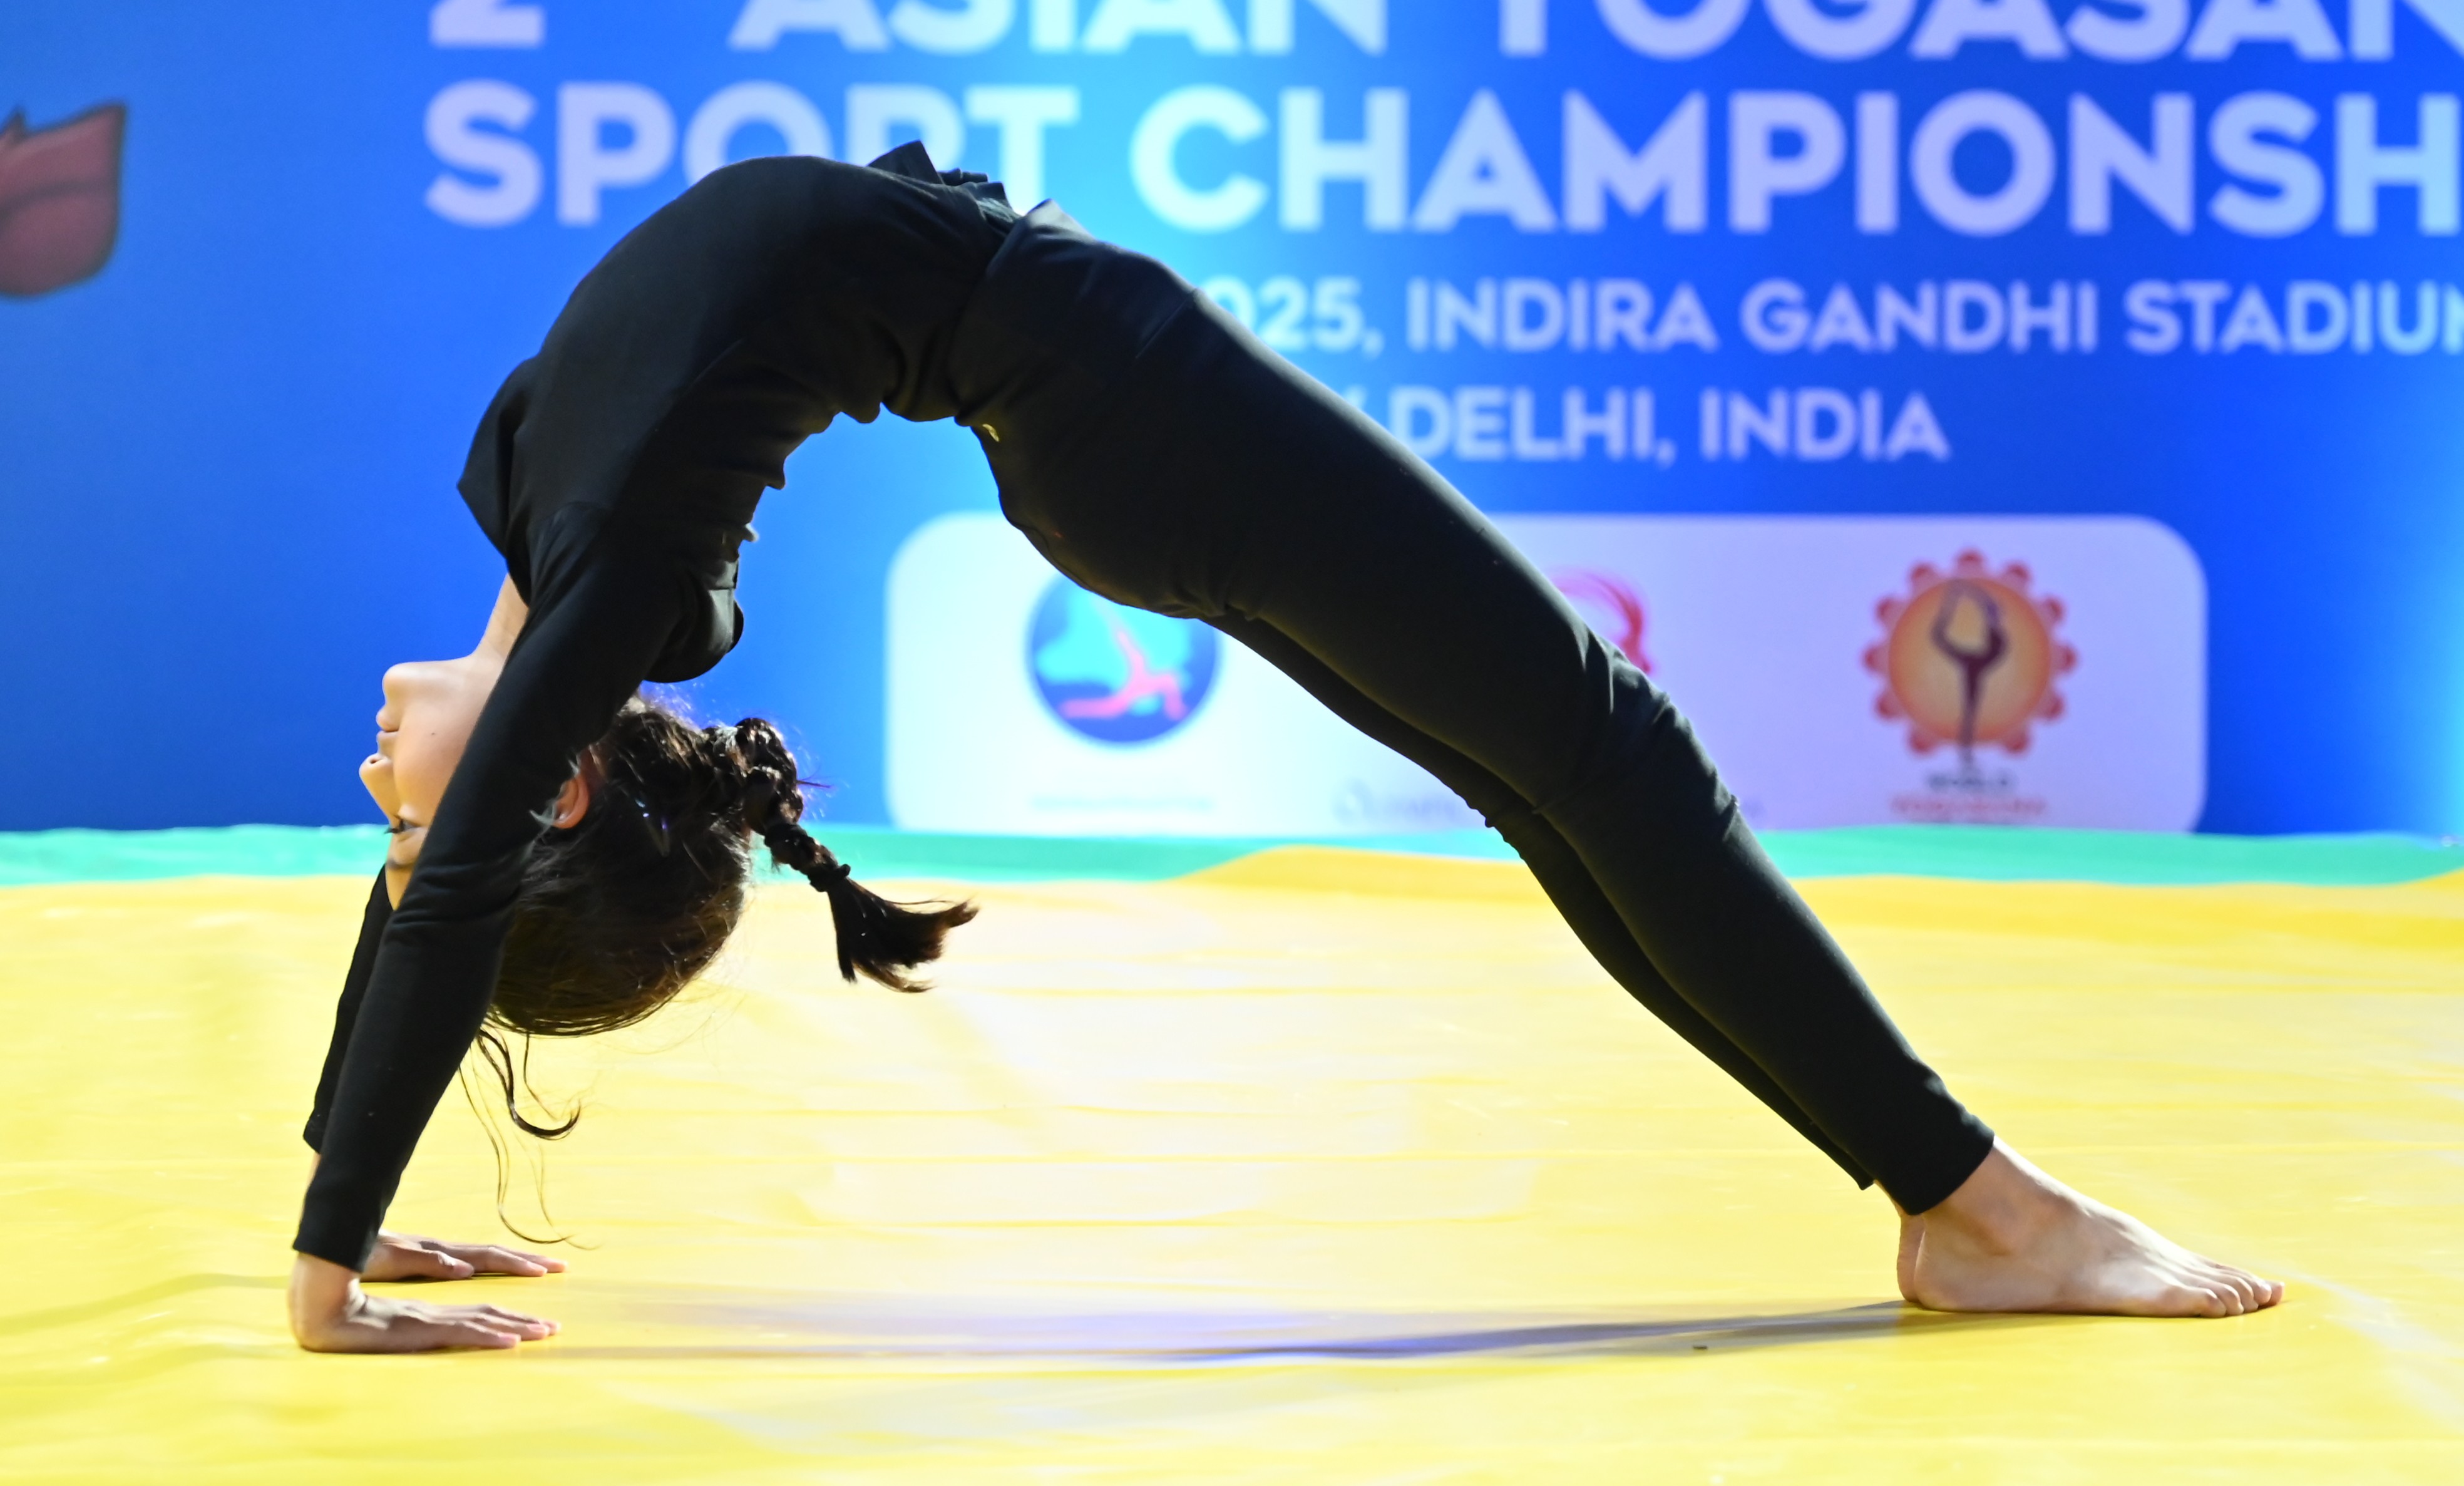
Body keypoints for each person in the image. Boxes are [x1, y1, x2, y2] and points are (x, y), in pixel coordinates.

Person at [292, 147, 2281, 1353]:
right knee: (1616, 755)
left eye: (387, 827)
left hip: (1108, 432)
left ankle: (1956, 1203)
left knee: (1555, 779)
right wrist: (326, 1267)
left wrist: (348, 1195)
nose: (380, 788)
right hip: (1136, 419)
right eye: (405, 826)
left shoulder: (532, 521)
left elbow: (447, 895)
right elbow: (452, 900)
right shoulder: (618, 577)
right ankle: (1982, 1207)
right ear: (555, 784)